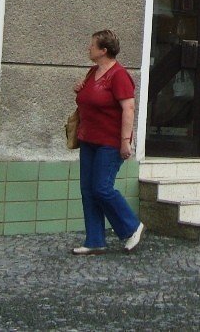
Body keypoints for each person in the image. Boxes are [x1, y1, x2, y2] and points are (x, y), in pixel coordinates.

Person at [71, 29, 144, 255]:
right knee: (88, 190)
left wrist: (125, 142)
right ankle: (94, 240)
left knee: (102, 188)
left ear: (104, 50)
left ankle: (132, 226)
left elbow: (129, 108)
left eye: (92, 45)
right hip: (88, 139)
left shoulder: (120, 76)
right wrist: (79, 91)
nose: (88, 48)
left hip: (109, 142)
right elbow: (88, 99)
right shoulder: (93, 72)